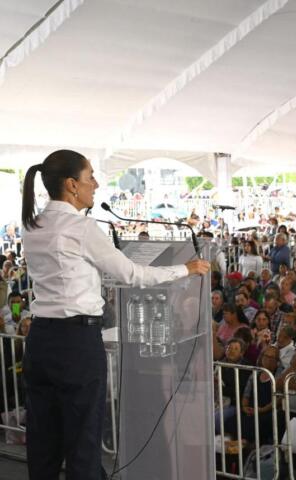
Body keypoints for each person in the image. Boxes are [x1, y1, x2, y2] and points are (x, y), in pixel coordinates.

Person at [20, 150, 210, 480]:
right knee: (83, 441)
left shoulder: (33, 225)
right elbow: (133, 275)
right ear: (71, 185)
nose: (95, 184)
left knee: (44, 442)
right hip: (76, 342)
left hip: (41, 339)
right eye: (90, 176)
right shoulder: (81, 228)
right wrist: (186, 268)